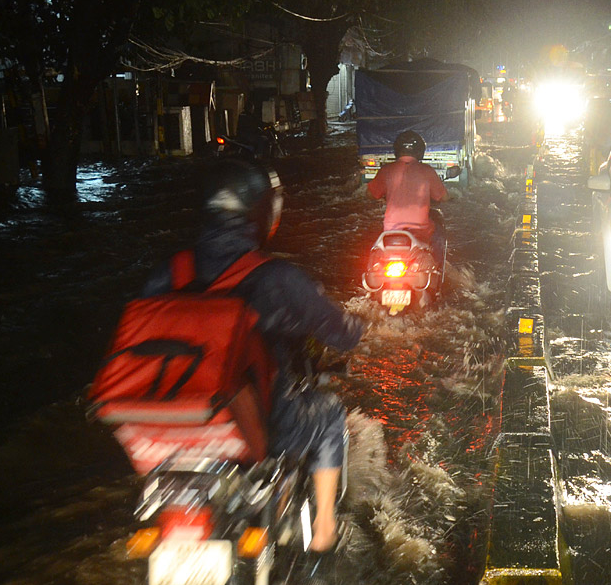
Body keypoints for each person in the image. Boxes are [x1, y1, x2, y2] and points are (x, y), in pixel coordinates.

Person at [140, 158, 365, 552]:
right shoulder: (277, 276)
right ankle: (325, 530)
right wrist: (355, 326)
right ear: (263, 214)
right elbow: (340, 334)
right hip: (257, 421)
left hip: (174, 426)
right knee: (329, 414)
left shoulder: (168, 272)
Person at [368, 129, 448, 266]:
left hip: (390, 232)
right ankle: (438, 267)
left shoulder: (386, 170)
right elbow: (443, 197)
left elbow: (370, 194)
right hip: (420, 232)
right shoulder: (427, 170)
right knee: (438, 230)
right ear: (420, 151)